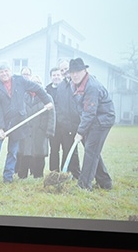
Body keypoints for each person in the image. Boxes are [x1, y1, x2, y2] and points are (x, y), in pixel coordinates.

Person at [0, 61, 53, 186]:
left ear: (10, 71)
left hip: (18, 122)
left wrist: (47, 101)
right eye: (1, 72)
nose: (4, 74)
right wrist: (0, 128)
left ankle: (8, 177)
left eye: (6, 71)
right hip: (0, 123)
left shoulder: (20, 81)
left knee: (13, 152)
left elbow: (37, 88)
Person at [67, 57, 115, 191]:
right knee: (92, 150)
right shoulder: (74, 84)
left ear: (84, 71)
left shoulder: (92, 87)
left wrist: (80, 132)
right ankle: (105, 182)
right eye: (72, 72)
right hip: (91, 119)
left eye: (78, 71)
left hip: (102, 119)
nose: (75, 75)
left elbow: (89, 112)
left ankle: (84, 186)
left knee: (91, 151)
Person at [16, 75, 56, 178]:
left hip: (40, 131)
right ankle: (22, 175)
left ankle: (38, 175)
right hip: (25, 131)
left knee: (39, 154)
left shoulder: (47, 97)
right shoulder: (23, 96)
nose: (35, 84)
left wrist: (49, 131)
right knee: (24, 153)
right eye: (33, 82)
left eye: (38, 82)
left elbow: (52, 115)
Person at [53, 59, 82, 178]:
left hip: (80, 123)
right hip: (65, 125)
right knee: (68, 150)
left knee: (83, 151)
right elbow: (58, 105)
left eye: (66, 69)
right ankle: (69, 175)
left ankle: (80, 175)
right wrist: (61, 120)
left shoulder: (78, 83)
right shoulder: (61, 86)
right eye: (62, 70)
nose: (64, 71)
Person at [45, 67, 64, 172]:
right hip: (53, 126)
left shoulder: (67, 88)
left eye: (58, 75)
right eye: (54, 75)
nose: (56, 77)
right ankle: (54, 172)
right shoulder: (46, 90)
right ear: (51, 77)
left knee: (67, 149)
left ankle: (66, 172)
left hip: (65, 125)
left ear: (61, 76)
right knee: (54, 150)